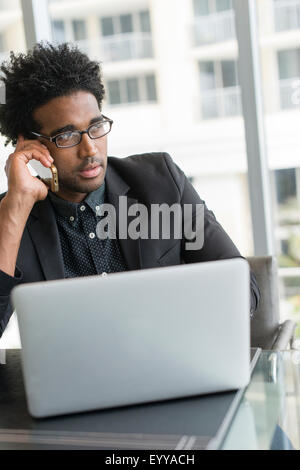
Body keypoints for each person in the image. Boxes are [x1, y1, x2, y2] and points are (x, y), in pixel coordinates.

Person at [0, 42, 259, 337]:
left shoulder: (160, 182)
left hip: (175, 364)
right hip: (80, 378)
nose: (89, 149)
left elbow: (242, 287)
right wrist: (14, 212)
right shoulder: (13, 217)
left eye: (96, 127)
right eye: (67, 135)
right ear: (29, 144)